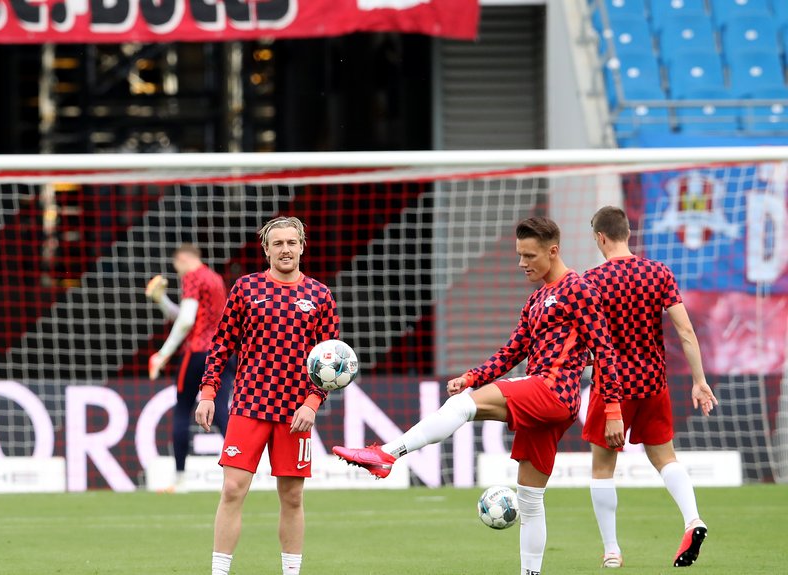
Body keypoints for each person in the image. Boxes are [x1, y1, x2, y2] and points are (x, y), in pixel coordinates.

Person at [333, 216, 624, 575]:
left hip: (552, 391)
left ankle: (387, 454)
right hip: (544, 398)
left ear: (553, 251)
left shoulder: (578, 289)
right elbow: (512, 351)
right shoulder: (536, 299)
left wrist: (612, 409)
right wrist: (473, 375)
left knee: (462, 407)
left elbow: (605, 350)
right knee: (530, 500)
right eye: (519, 255)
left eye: (530, 255)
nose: (522, 263)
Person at [196, 216, 340, 575]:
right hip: (249, 404)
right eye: (278, 244)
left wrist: (312, 402)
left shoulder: (320, 295)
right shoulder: (245, 289)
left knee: (292, 497)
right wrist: (209, 391)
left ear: (302, 246)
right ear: (266, 250)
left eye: (292, 242)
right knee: (232, 489)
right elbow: (222, 344)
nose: (286, 249)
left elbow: (332, 358)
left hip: (295, 413)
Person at [581, 206, 718, 569]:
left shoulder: (591, 280)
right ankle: (693, 519)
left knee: (602, 469)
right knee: (665, 458)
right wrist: (699, 381)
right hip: (653, 382)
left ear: (600, 237)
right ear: (628, 233)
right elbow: (686, 332)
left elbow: (588, 342)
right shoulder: (659, 272)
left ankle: (611, 550)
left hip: (612, 387)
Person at [144, 243, 234, 492]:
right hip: (222, 353)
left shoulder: (193, 277)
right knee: (220, 412)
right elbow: (189, 315)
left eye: (177, 266)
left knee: (183, 411)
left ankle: (181, 479)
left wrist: (162, 354)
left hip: (196, 353)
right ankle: (242, 468)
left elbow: (185, 321)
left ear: (183, 259)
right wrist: (161, 299)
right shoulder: (214, 279)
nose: (179, 273)